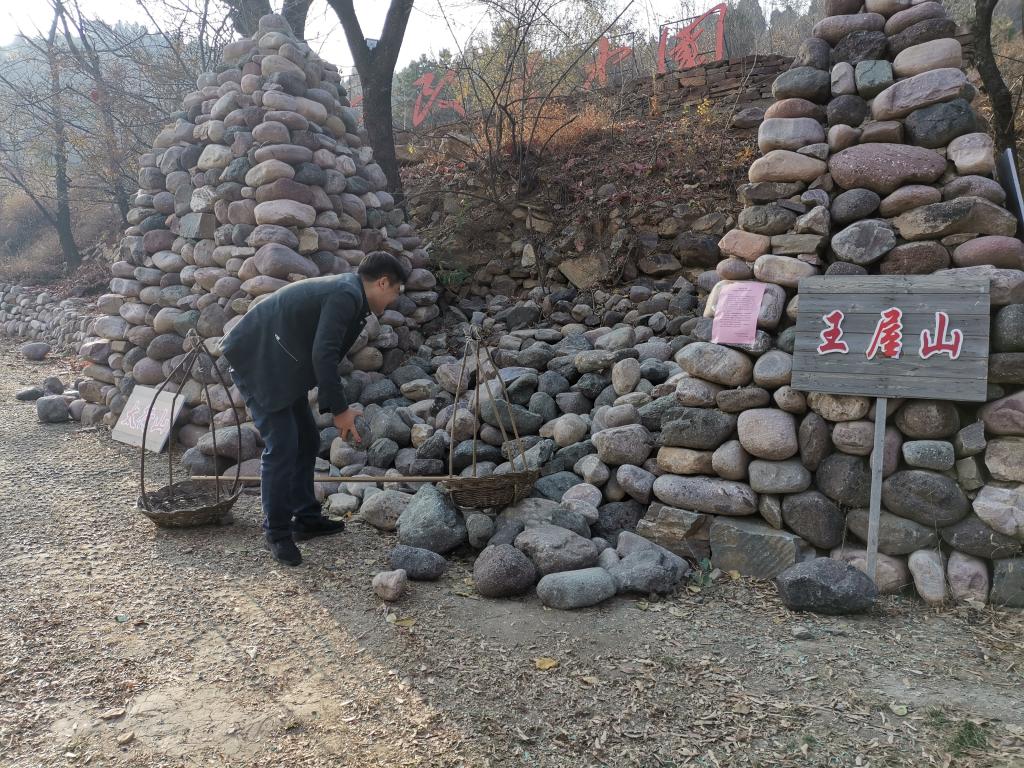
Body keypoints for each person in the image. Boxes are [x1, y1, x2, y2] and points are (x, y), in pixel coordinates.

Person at [220, 251, 408, 566]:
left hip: (280, 364)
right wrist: (340, 411)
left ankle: (305, 518)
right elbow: (324, 353)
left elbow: (321, 351)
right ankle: (277, 532)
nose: (394, 300)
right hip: (259, 362)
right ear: (383, 282)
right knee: (282, 446)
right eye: (395, 291)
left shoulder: (350, 293)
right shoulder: (346, 294)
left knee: (307, 439)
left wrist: (335, 405)